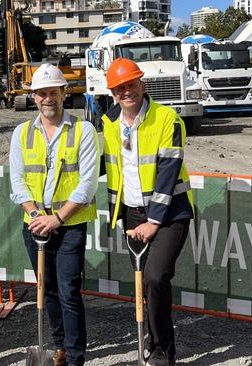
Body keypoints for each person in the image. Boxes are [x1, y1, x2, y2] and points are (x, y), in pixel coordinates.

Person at [100, 58, 194, 366]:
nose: (126, 91)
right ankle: (152, 338)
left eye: (131, 84)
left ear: (143, 84)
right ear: (112, 92)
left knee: (155, 277)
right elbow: (111, 165)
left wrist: (154, 221)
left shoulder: (167, 118)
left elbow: (168, 170)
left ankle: (162, 350)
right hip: (132, 213)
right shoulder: (110, 122)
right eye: (119, 87)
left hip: (171, 213)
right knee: (143, 283)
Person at [9, 63, 100, 366]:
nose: (47, 98)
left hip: (69, 225)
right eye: (41, 93)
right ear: (33, 97)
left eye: (53, 92)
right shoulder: (22, 133)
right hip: (34, 225)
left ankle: (75, 357)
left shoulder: (83, 130)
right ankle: (59, 346)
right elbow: (18, 180)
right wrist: (36, 215)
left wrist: (57, 219)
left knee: (68, 291)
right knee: (46, 289)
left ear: (63, 93)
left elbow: (87, 184)